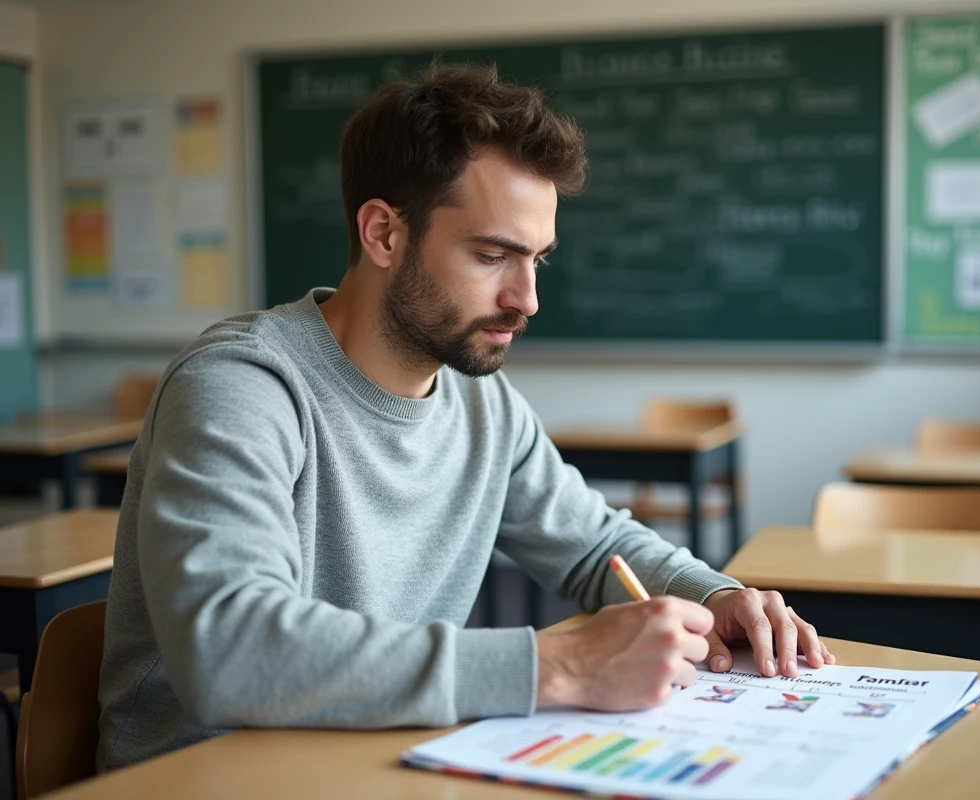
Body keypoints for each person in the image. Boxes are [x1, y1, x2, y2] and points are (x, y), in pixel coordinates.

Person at [96, 63, 833, 771]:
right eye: (491, 256)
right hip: (207, 777)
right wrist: (561, 664)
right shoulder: (241, 385)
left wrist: (715, 595)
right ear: (383, 233)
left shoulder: (483, 405)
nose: (526, 299)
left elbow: (594, 547)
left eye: (537, 260)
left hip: (378, 759)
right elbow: (228, 650)